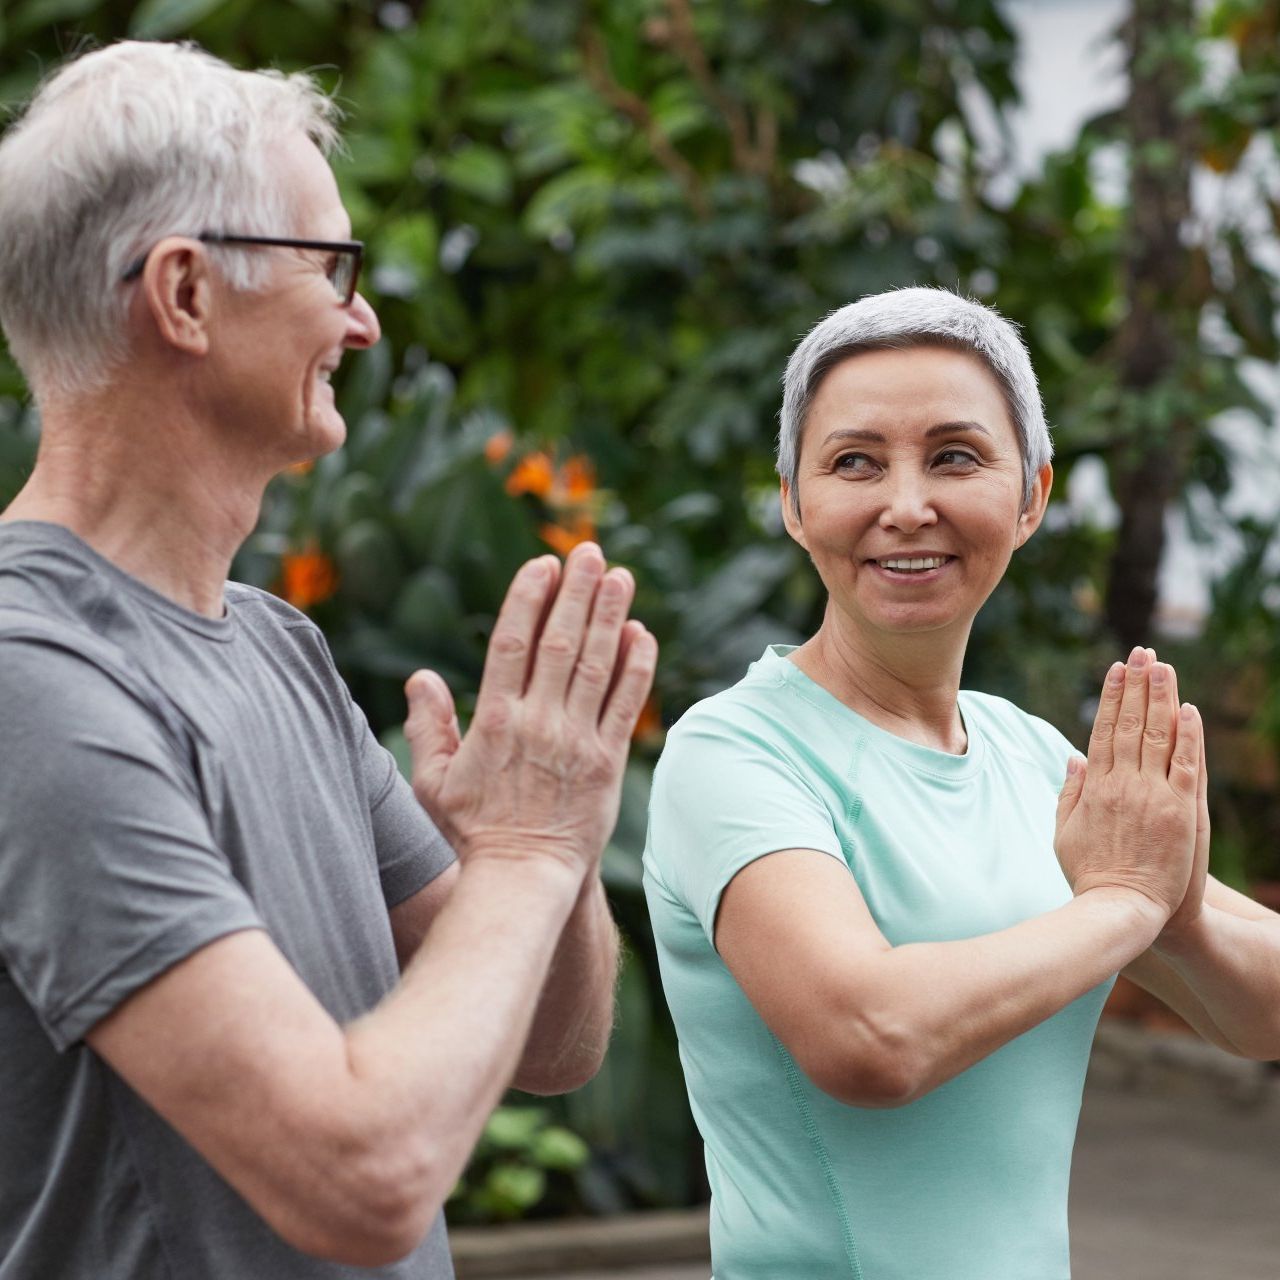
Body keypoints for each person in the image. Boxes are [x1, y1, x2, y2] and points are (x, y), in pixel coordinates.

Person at [0, 41, 656, 1280]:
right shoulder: (30, 681)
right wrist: (523, 850)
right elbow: (361, 1178)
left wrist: (558, 848)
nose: (359, 317)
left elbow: (551, 1045)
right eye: (332, 264)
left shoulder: (278, 647)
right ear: (185, 296)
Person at [643, 287, 1280, 1280]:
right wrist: (1123, 901)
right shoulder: (730, 752)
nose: (905, 504)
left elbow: (1258, 1010)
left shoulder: (1024, 752)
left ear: (1029, 497)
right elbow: (869, 1036)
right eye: (855, 460)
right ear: (792, 501)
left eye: (953, 454)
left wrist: (1174, 900)